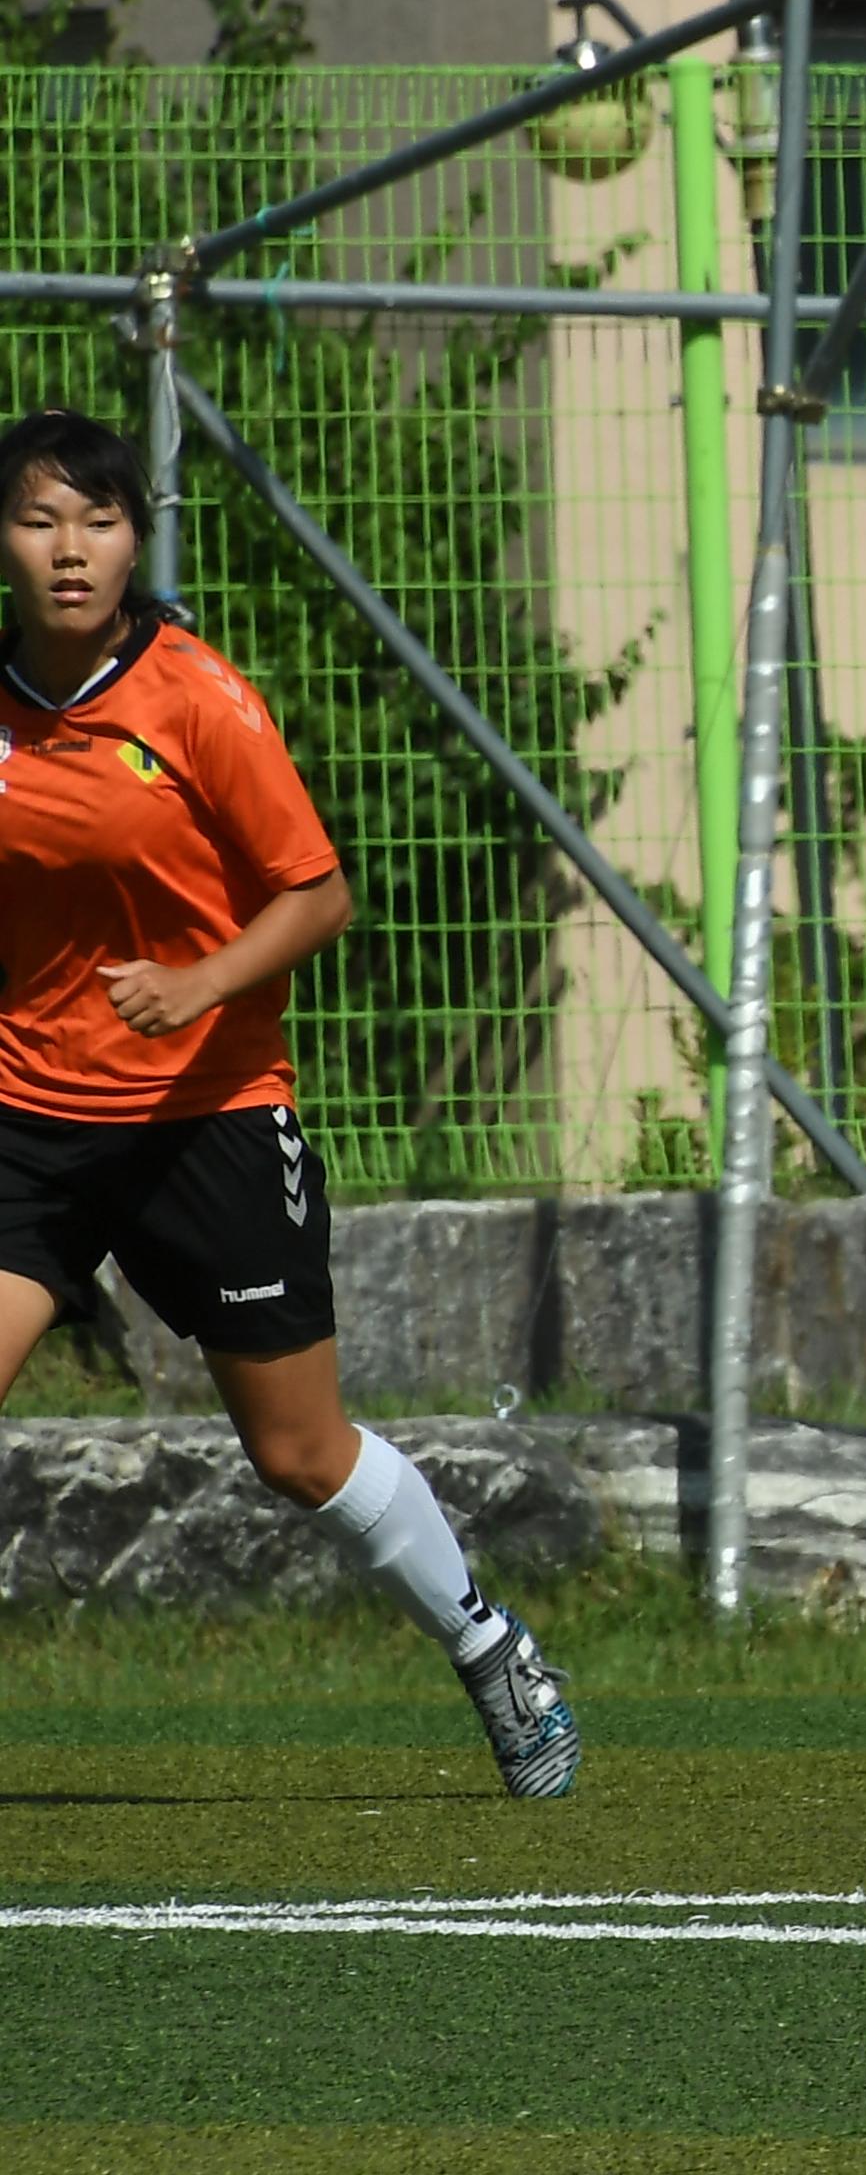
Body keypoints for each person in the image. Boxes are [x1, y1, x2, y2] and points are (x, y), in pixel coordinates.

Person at [0, 408, 582, 1797]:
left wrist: (199, 985)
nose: (71, 549)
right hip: (30, 1114)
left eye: (99, 518)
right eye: (38, 518)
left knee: (299, 1452)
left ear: (138, 538)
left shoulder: (195, 695)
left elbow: (318, 894)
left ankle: (488, 1644)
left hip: (208, 1113)